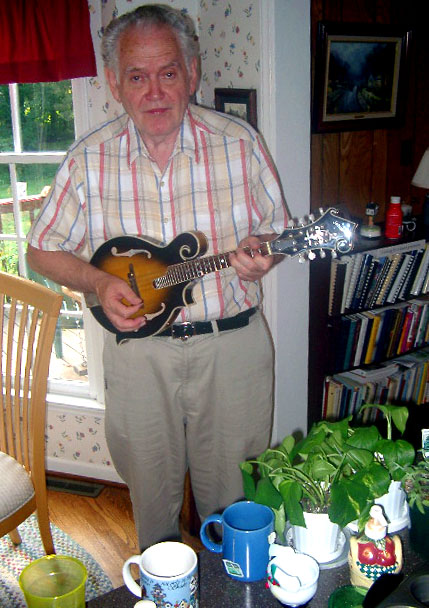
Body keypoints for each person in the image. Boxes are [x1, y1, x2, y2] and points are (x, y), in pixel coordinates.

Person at [27, 4, 288, 549]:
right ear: (113, 84)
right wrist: (98, 283)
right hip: (137, 357)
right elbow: (40, 252)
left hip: (231, 347)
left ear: (191, 72)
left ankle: (232, 585)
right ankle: (163, 585)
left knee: (236, 510)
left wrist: (265, 253)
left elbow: (275, 231)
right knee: (153, 510)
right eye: (137, 77)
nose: (154, 92)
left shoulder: (239, 143)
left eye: (168, 73)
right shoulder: (88, 160)